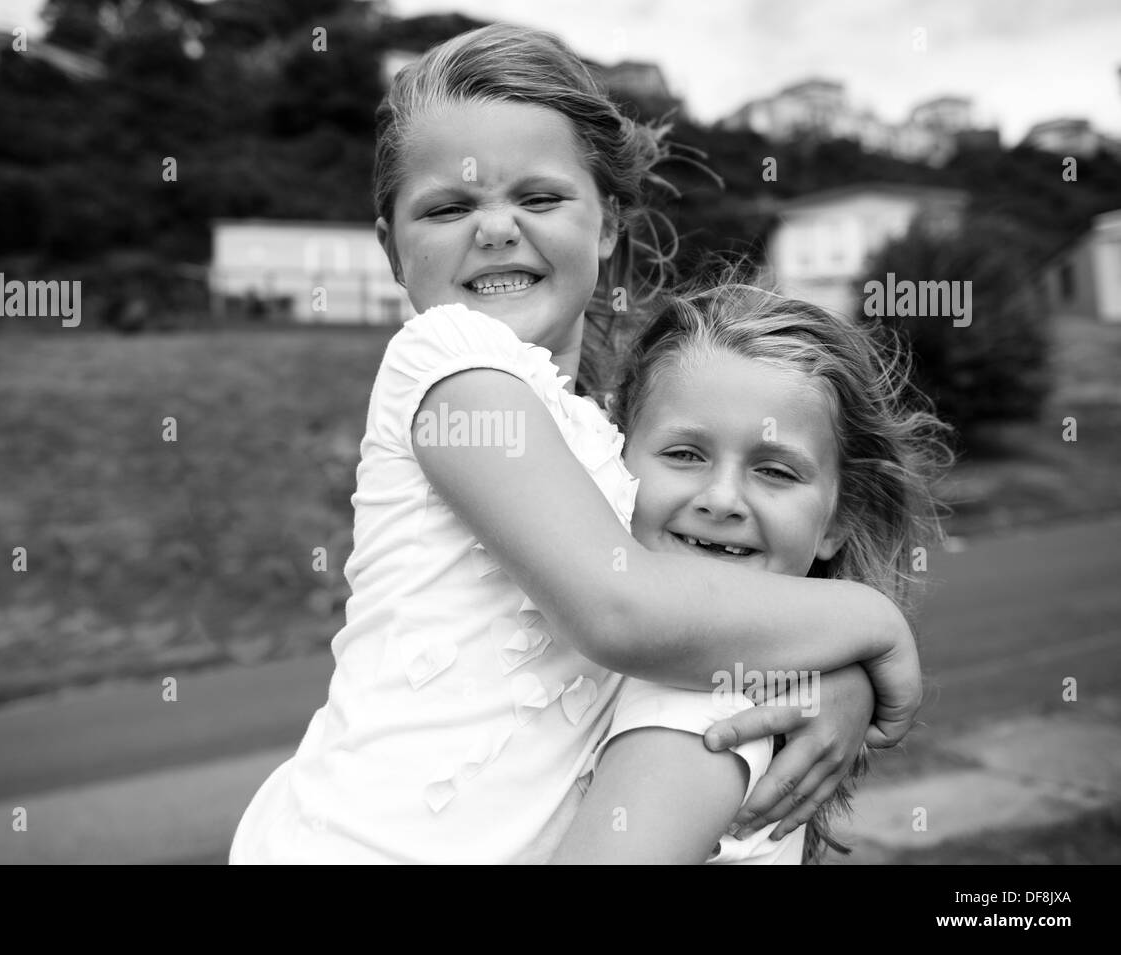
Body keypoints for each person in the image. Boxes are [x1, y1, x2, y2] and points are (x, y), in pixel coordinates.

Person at [229, 24, 922, 864]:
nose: (494, 228)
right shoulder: (448, 363)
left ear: (606, 225)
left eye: (541, 198)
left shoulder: (603, 437)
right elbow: (619, 608)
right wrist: (867, 624)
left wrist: (827, 677)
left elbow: (697, 617)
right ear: (391, 248)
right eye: (450, 207)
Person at [550, 279, 951, 864]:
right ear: (612, 460)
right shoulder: (601, 641)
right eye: (685, 454)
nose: (722, 499)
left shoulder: (704, 716)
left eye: (776, 471)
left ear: (838, 521)